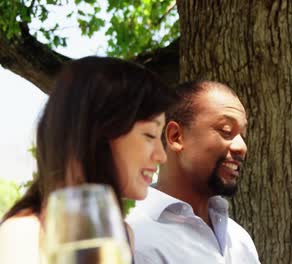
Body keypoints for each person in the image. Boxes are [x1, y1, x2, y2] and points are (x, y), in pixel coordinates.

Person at [0, 56, 176, 263]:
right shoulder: (23, 235)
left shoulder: (123, 235)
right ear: (97, 134)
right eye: (150, 135)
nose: (162, 156)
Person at [126, 81, 260, 263]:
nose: (241, 147)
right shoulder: (129, 238)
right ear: (176, 137)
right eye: (226, 131)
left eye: (242, 135)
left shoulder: (239, 240)